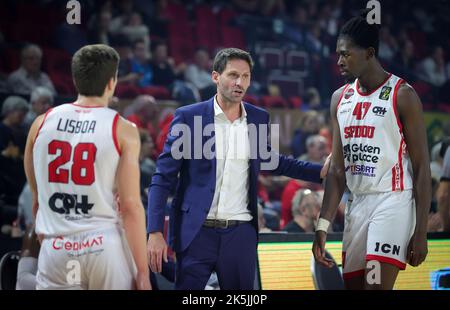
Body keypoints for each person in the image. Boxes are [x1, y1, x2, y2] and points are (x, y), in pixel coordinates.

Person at [147, 47, 329, 290]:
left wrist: (319, 172)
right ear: (215, 77)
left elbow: (275, 161)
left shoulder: (258, 118)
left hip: (240, 234)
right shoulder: (189, 118)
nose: (239, 82)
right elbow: (162, 178)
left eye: (245, 76)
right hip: (196, 233)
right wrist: (155, 231)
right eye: (233, 75)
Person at [312, 12, 431, 290]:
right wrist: (322, 226)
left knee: (375, 287)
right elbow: (338, 171)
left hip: (393, 202)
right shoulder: (339, 99)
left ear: (369, 53)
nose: (339, 61)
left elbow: (423, 166)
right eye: (337, 55)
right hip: (358, 204)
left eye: (345, 54)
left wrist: (421, 229)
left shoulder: (403, 95)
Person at [23, 44, 151, 290]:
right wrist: (143, 272)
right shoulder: (123, 129)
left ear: (74, 79)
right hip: (103, 245)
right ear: (112, 82)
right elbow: (131, 207)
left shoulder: (40, 124)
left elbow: (37, 199)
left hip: (56, 247)